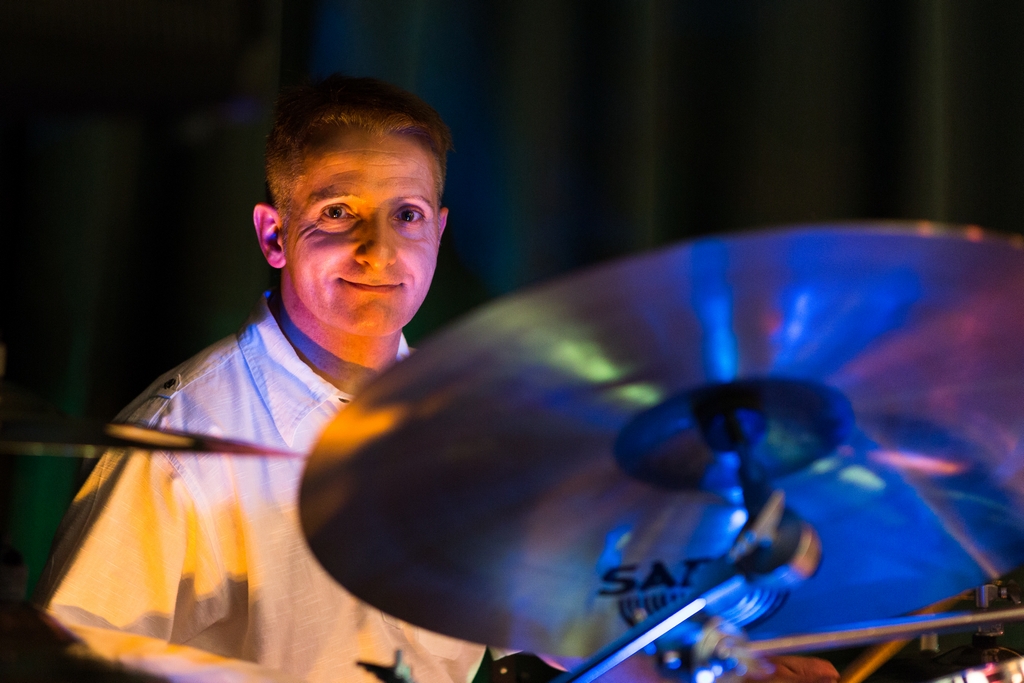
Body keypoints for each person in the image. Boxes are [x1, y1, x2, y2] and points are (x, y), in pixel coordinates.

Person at [34, 74, 838, 683]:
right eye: (338, 212)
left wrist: (731, 671)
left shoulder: (473, 425)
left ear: (438, 231)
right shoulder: (175, 444)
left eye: (407, 215)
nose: (379, 250)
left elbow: (559, 626)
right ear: (274, 234)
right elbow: (70, 657)